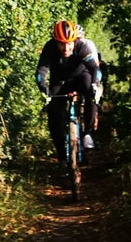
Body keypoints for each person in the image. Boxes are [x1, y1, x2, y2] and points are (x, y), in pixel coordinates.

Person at [35, 20, 100, 166]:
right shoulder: (50, 47)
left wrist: (95, 84)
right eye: (61, 44)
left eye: (69, 43)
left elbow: (95, 69)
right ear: (55, 42)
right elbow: (41, 71)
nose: (66, 48)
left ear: (74, 40)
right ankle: (61, 155)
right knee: (53, 114)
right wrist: (43, 88)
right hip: (60, 82)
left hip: (81, 77)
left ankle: (88, 133)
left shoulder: (82, 46)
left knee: (91, 92)